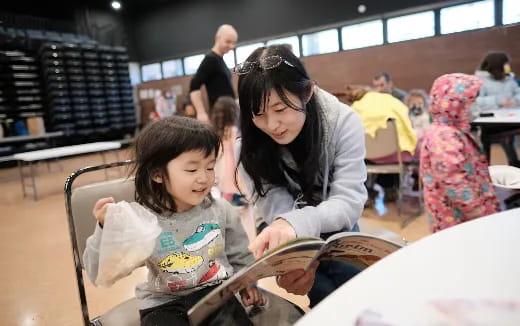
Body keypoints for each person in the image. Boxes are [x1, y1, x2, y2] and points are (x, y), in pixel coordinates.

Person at [83, 116, 265, 326]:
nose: (204, 178)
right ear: (157, 174)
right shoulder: (141, 221)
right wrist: (105, 229)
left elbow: (240, 256)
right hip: (164, 303)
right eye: (191, 169)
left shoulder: (221, 210)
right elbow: (99, 270)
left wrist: (247, 284)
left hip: (217, 294)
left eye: (209, 167)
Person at [235, 45, 367, 307]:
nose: (272, 125)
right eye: (259, 114)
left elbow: (348, 202)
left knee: (355, 281)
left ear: (307, 92)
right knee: (319, 289)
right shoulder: (249, 145)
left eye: (281, 109)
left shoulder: (343, 122)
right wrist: (293, 251)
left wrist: (298, 222)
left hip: (333, 217)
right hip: (279, 221)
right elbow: (273, 206)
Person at [420, 73, 499, 233]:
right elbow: (452, 178)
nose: (476, 107)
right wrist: (474, 209)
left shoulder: (454, 130)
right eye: (471, 103)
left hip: (464, 212)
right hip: (455, 216)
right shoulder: (443, 136)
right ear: (454, 105)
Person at [474, 51, 520, 167]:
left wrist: (515, 100)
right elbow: (477, 101)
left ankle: (514, 164)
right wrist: (498, 101)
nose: (507, 66)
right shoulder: (480, 81)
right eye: (505, 64)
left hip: (511, 117)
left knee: (510, 139)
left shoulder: (510, 79)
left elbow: (518, 93)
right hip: (491, 121)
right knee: (486, 139)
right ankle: (486, 166)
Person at [189, 25, 238, 124]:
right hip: (220, 114)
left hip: (229, 111)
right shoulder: (210, 59)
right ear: (217, 38)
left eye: (233, 43)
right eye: (228, 42)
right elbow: (194, 86)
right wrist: (201, 112)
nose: (231, 46)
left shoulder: (219, 59)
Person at [210, 96, 244, 205]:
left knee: (226, 196)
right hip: (233, 168)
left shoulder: (214, 132)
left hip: (221, 168)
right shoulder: (233, 131)